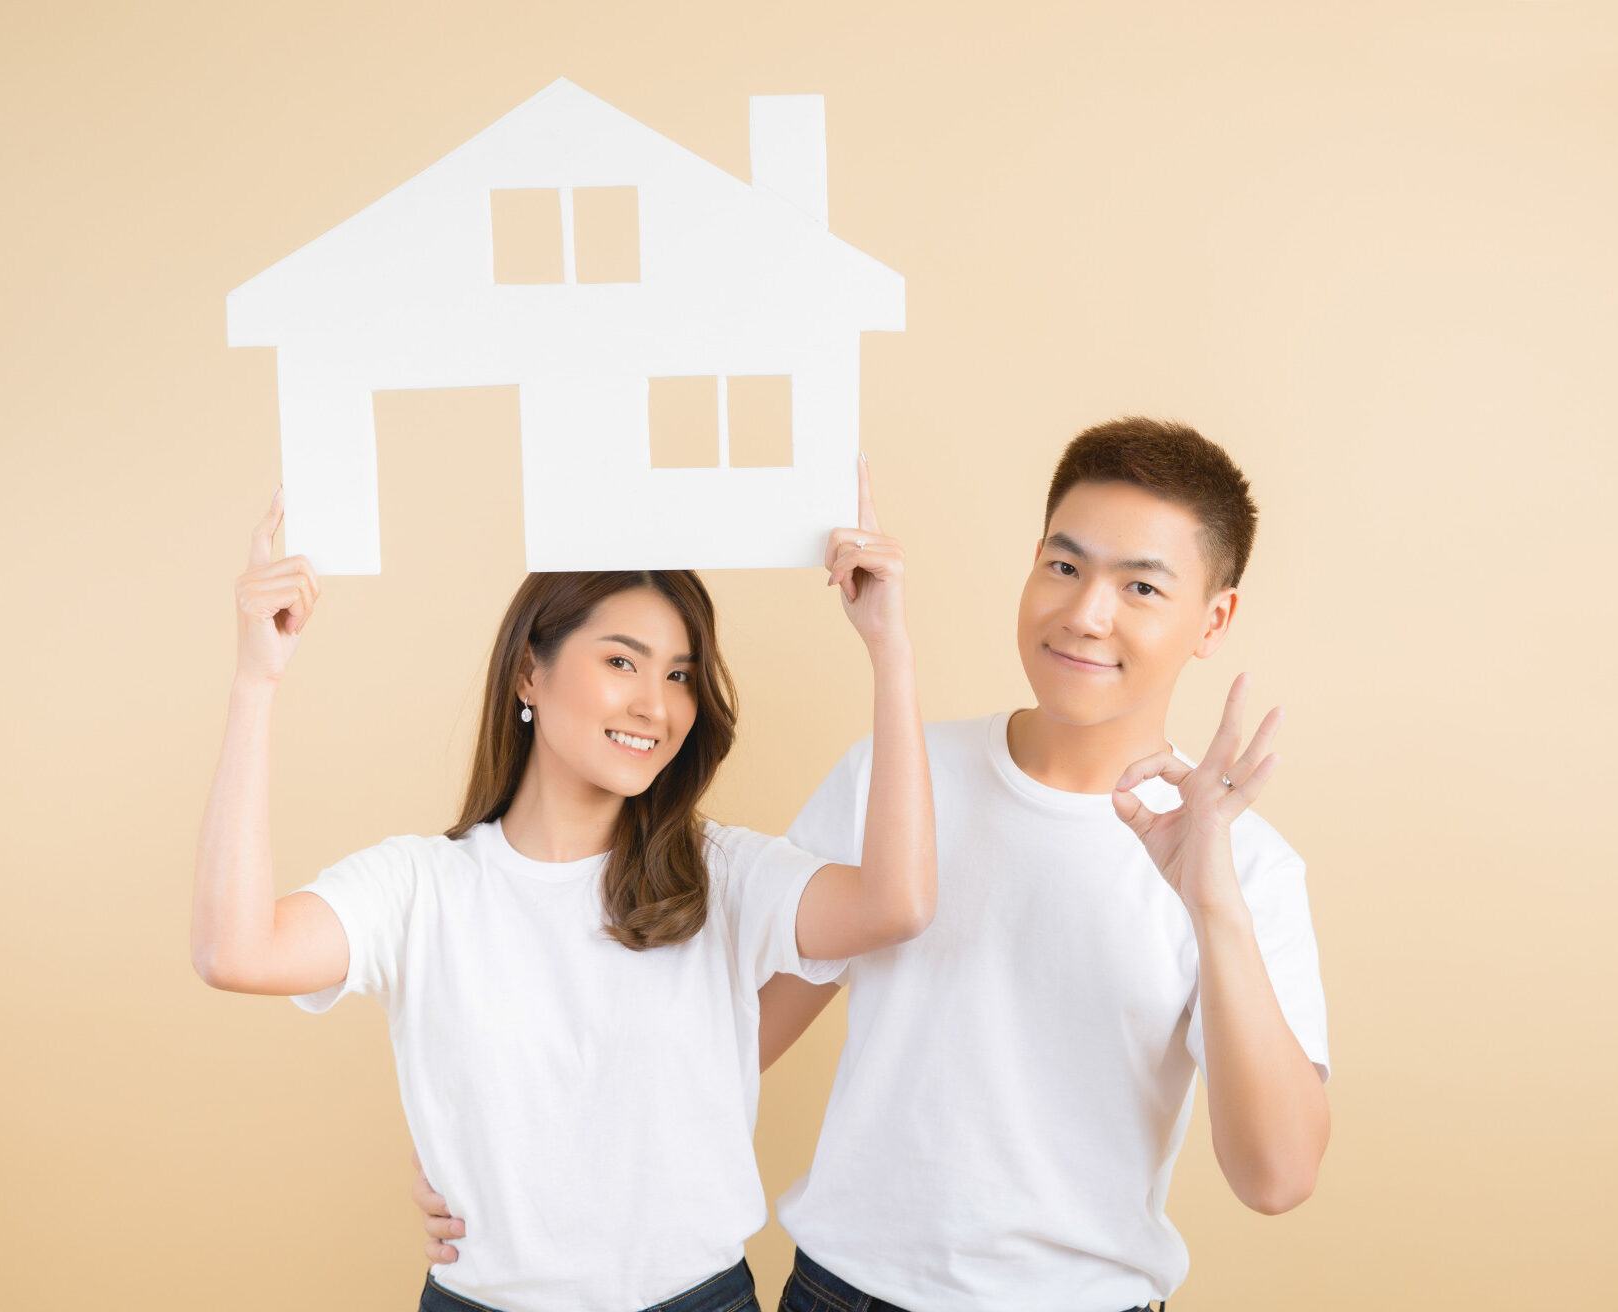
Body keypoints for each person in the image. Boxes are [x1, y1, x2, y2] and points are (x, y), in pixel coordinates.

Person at [419, 416, 1330, 1312]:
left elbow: (1278, 1177)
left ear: (1215, 621)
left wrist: (1210, 903)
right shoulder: (896, 779)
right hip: (842, 1294)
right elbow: (718, 1044)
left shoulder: (1242, 867)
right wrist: (508, 1175)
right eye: (1064, 565)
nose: (1086, 613)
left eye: (1141, 588)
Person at [192, 459, 936, 1312]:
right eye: (623, 661)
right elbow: (233, 951)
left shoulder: (723, 874)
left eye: (681, 675)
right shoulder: (420, 889)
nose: (657, 706)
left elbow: (897, 904)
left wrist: (890, 648)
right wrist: (257, 683)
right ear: (528, 674)